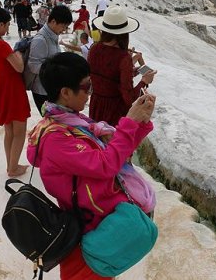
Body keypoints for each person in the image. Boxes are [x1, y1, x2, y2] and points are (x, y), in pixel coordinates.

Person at [26, 52, 155, 280]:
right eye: (86, 87)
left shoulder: (76, 123)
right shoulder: (56, 138)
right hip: (86, 233)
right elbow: (106, 165)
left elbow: (117, 154)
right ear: (65, 93)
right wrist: (129, 122)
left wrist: (140, 122)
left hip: (101, 223)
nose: (90, 93)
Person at [0, 9, 31, 177]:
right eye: (7, 24)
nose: (8, 28)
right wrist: (19, 52)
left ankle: (11, 165)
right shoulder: (1, 45)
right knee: (19, 131)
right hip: (12, 89)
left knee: (10, 131)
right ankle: (13, 167)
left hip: (1, 87)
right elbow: (19, 67)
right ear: (1, 24)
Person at [89, 6, 157, 126]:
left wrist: (129, 72)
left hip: (96, 105)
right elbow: (129, 98)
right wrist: (144, 81)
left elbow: (106, 76)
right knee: (113, 143)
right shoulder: (123, 57)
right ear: (124, 33)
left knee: (97, 140)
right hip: (114, 111)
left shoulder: (93, 49)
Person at [27, 5, 72, 112]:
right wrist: (56, 69)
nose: (64, 30)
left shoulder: (52, 35)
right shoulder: (41, 40)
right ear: (53, 21)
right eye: (63, 26)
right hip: (42, 91)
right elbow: (33, 66)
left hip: (51, 89)